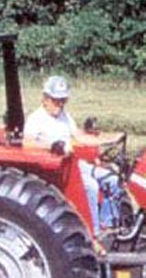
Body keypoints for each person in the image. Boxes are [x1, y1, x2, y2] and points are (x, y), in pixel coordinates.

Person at [24, 75, 120, 237]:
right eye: (56, 100)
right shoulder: (36, 119)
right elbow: (26, 144)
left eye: (63, 100)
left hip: (74, 163)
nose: (60, 104)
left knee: (112, 178)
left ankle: (110, 225)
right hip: (56, 169)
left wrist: (108, 139)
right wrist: (51, 146)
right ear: (45, 98)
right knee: (90, 186)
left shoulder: (64, 116)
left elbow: (78, 136)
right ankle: (93, 233)